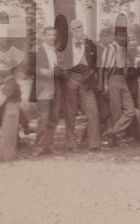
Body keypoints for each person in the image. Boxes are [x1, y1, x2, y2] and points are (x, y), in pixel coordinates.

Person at [59, 18, 101, 153]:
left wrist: (93, 72)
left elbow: (97, 61)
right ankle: (71, 144)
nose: (79, 30)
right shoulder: (65, 45)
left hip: (87, 79)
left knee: (93, 112)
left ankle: (94, 144)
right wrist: (67, 78)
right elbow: (60, 63)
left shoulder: (89, 44)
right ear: (71, 31)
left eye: (81, 27)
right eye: (76, 28)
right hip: (72, 78)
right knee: (70, 112)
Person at [102, 25, 138, 146]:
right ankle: (115, 140)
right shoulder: (110, 49)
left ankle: (113, 132)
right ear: (116, 36)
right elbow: (104, 69)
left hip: (123, 80)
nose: (123, 38)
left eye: (125, 36)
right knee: (115, 111)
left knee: (130, 111)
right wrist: (105, 85)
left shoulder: (124, 49)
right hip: (113, 80)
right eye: (121, 36)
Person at [32, 27, 64, 156]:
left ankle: (48, 146)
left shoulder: (57, 51)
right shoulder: (38, 51)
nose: (52, 37)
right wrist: (43, 72)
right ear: (44, 36)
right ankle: (38, 147)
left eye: (54, 35)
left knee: (54, 118)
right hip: (44, 86)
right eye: (49, 35)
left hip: (57, 85)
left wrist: (60, 70)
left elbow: (61, 67)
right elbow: (30, 68)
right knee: (43, 118)